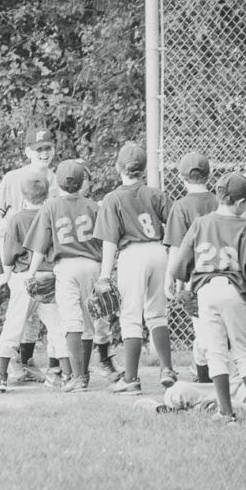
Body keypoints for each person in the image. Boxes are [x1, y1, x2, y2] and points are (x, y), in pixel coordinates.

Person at [166, 172, 246, 423]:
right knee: (244, 352)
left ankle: (226, 412)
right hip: (234, 289)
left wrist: (183, 283)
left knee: (215, 351)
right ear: (240, 203)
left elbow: (179, 266)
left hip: (206, 292)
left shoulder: (201, 223)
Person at [22, 160, 112, 393]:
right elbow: (107, 240)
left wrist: (31, 273)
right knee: (89, 323)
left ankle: (77, 377)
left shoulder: (50, 206)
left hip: (66, 267)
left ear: (57, 182)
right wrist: (106, 272)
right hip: (92, 266)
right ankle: (84, 376)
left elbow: (40, 246)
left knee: (72, 321)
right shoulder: (93, 206)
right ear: (82, 182)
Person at [95, 142, 175, 395]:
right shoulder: (156, 194)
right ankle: (167, 370)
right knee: (157, 314)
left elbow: (110, 240)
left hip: (132, 255)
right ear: (144, 169)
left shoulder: (113, 198)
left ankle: (130, 379)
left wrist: (104, 275)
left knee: (130, 316)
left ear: (118, 167)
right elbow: (176, 225)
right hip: (159, 252)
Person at [0, 127, 58, 382]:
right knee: (23, 314)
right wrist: (0, 223)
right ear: (28, 151)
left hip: (45, 260)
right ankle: (17, 364)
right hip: (16, 256)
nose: (44, 153)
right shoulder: (13, 177)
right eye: (39, 149)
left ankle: (25, 363)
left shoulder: (57, 180)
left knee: (36, 317)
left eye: (48, 148)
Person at [0, 173, 65, 392]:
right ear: (47, 194)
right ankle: (61, 374)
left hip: (24, 278)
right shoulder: (52, 215)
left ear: (23, 195)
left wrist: (6, 274)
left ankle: (0, 375)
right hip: (49, 277)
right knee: (58, 327)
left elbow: (10, 252)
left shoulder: (17, 219)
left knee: (14, 324)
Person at [162, 152, 218, 383]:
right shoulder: (220, 201)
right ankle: (213, 373)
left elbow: (176, 247)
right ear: (210, 174)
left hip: (195, 278)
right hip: (224, 274)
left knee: (203, 329)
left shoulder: (181, 206)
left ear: (180, 177)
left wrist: (171, 277)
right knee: (220, 328)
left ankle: (204, 376)